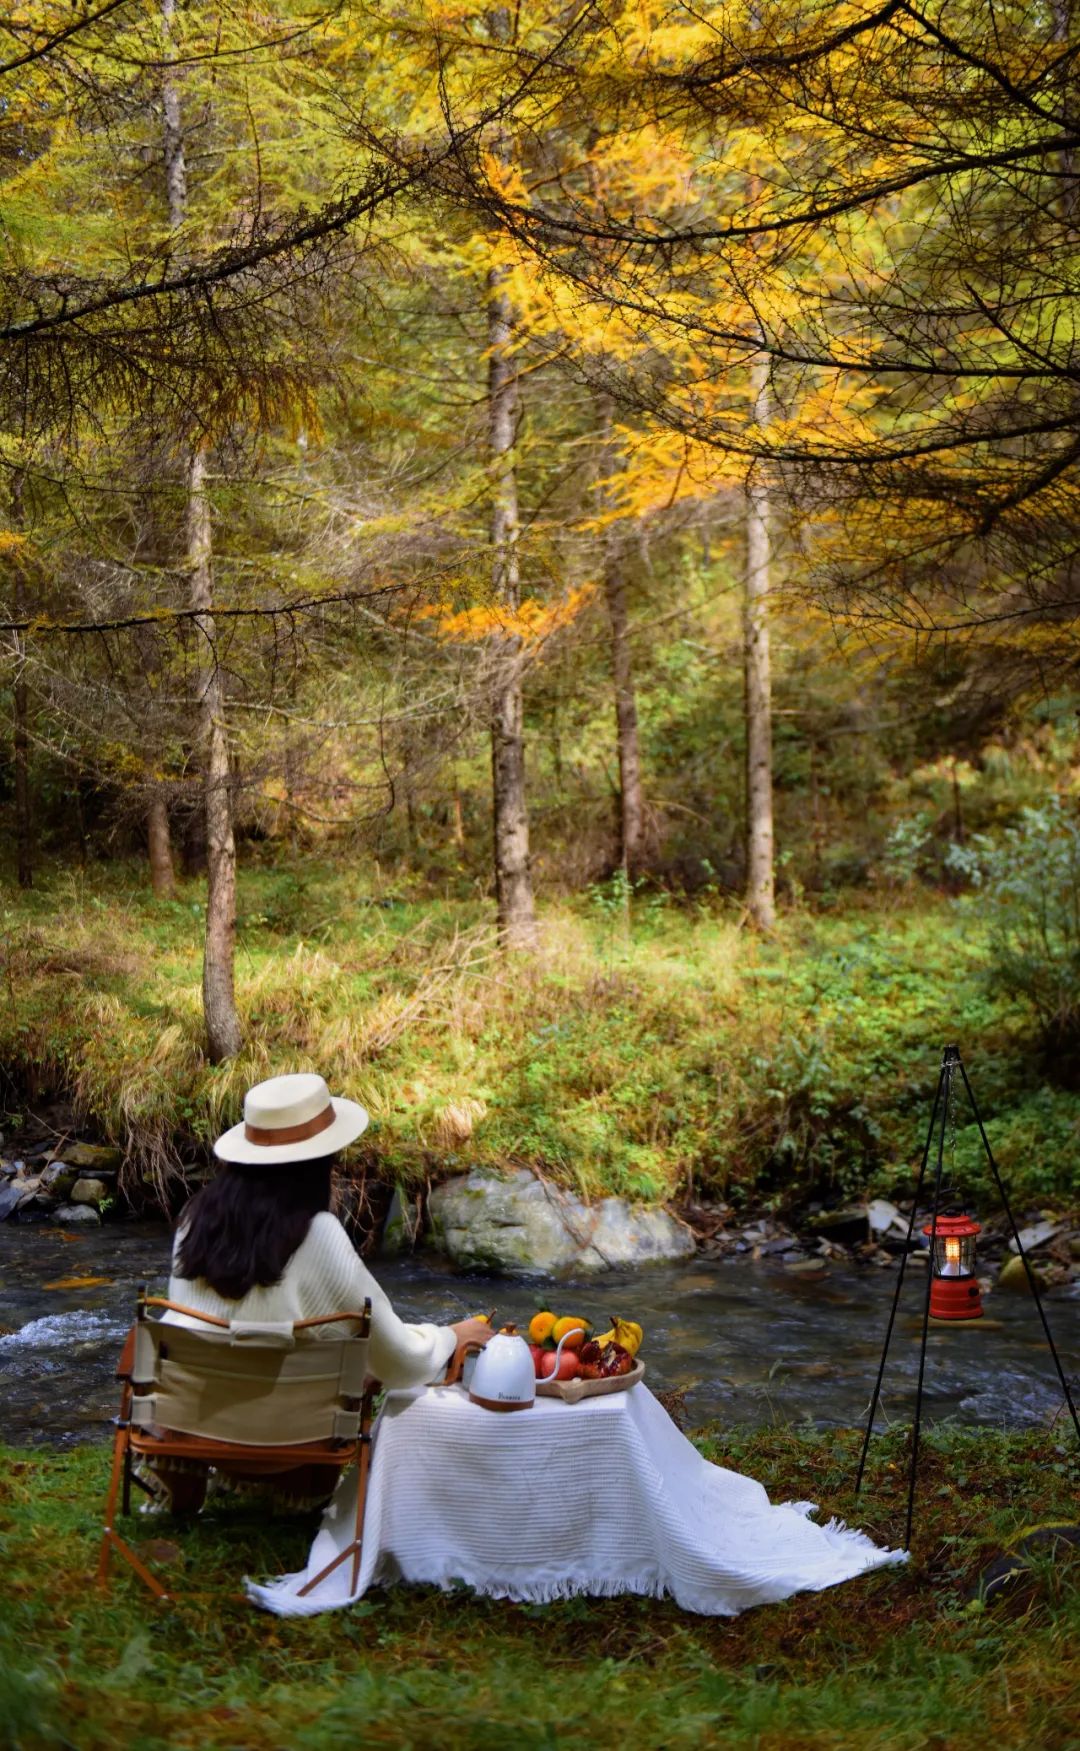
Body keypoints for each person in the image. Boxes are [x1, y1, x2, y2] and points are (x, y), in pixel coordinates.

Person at [145, 1072, 492, 1512]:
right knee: (356, 1364)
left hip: (194, 1431)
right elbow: (399, 1360)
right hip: (287, 1448)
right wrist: (449, 1336)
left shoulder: (195, 1220)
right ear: (318, 1161)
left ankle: (185, 1480)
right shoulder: (318, 1234)